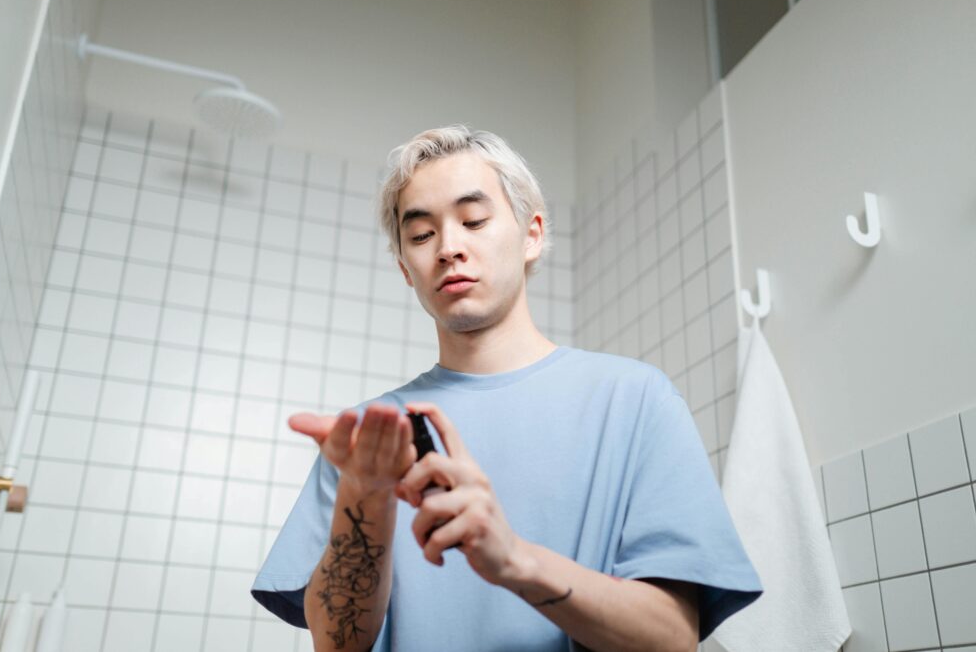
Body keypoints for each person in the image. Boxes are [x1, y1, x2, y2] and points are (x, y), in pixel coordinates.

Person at [251, 125, 763, 651]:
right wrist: (366, 493)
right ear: (406, 269)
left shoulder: (634, 401)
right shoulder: (369, 438)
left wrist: (515, 559)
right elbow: (336, 645)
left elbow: (672, 639)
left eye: (473, 220)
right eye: (422, 235)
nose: (449, 248)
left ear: (532, 234)